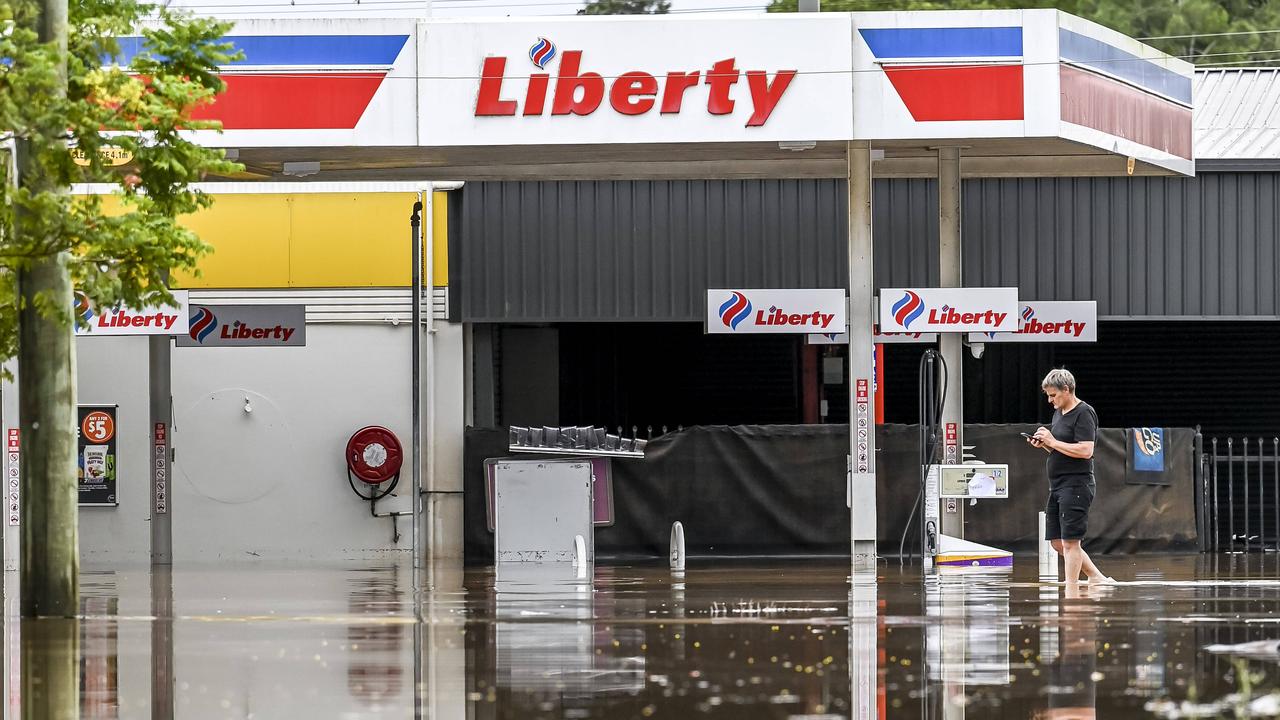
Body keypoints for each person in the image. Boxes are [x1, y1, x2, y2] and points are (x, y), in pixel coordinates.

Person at [1027, 369, 1114, 585]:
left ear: (1066, 390)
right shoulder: (1059, 413)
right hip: (1057, 485)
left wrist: (1053, 441)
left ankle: (1072, 588)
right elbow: (1062, 450)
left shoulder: (1084, 412)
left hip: (1076, 484)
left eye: (1053, 395)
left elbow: (1086, 451)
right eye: (1048, 395)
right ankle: (1097, 578)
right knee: (1057, 542)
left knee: (1070, 541)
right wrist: (1046, 444)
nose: (1050, 400)